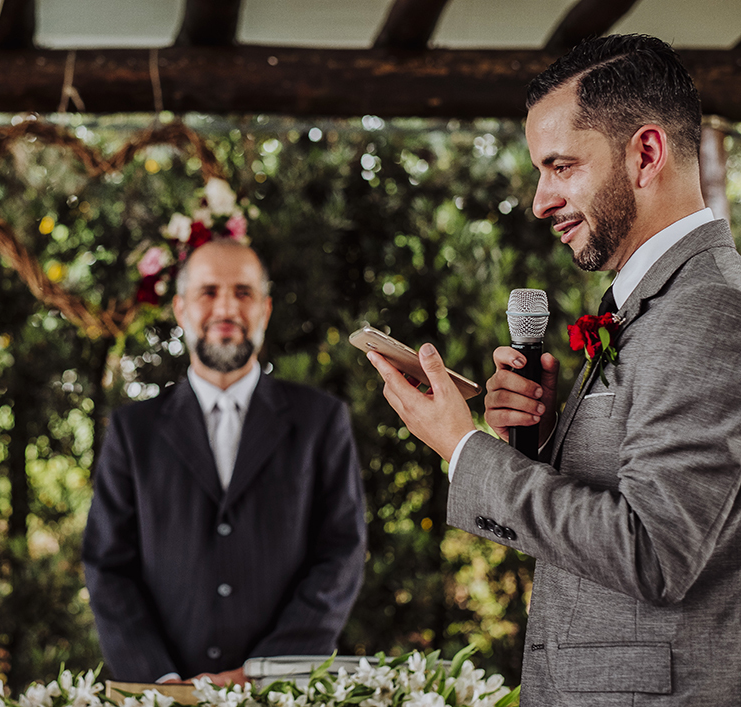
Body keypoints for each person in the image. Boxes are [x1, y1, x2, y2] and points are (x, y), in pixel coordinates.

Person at [366, 34, 741, 705]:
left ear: (646, 154)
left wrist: (464, 450)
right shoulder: (656, 300)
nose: (540, 201)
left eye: (561, 167)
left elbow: (656, 551)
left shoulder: (708, 308)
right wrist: (536, 446)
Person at [83, 239, 367, 685]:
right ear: (180, 309)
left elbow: (341, 554)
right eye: (208, 292)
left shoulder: (321, 421)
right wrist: (160, 682)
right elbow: (107, 567)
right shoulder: (131, 431)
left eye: (243, 292)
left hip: (282, 692)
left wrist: (262, 674)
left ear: (266, 309)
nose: (226, 308)